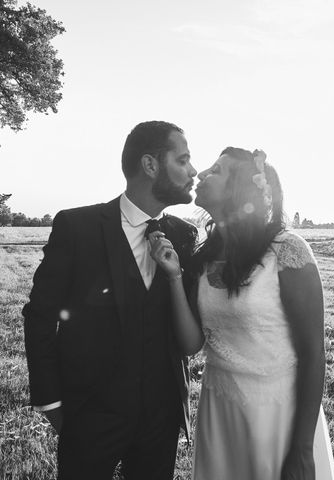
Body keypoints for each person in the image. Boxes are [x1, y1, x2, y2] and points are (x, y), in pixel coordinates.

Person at [22, 120, 198, 480]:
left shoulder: (184, 235)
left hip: (160, 418)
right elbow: (40, 315)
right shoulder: (78, 228)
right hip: (90, 414)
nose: (193, 171)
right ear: (150, 165)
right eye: (182, 160)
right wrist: (50, 401)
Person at [149, 147, 334, 480]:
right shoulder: (204, 257)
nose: (202, 174)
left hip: (276, 414)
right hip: (219, 408)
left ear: (238, 189)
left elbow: (313, 353)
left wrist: (302, 449)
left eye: (216, 170)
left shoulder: (287, 250)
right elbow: (192, 344)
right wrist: (175, 277)